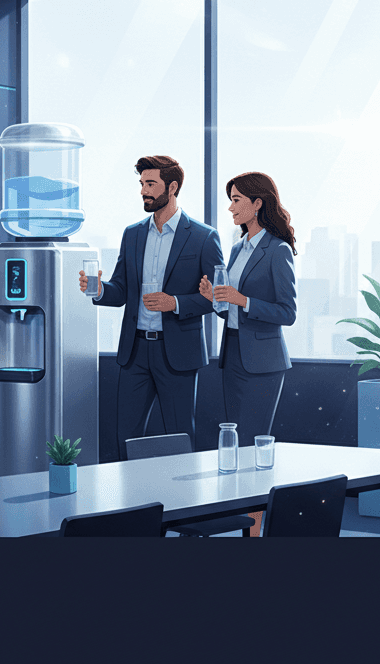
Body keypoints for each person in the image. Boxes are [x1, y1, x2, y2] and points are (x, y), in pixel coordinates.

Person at [79, 155, 224, 456]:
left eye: (151, 184)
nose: (144, 191)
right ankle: (133, 502)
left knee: (179, 437)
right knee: (125, 437)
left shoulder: (203, 237)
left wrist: (175, 303)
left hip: (178, 355)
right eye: (142, 183)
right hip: (135, 353)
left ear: (172, 188)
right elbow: (120, 291)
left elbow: (216, 297)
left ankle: (181, 501)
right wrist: (97, 290)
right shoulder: (132, 234)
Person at [199, 172, 297, 450]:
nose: (230, 207)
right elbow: (230, 311)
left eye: (236, 200)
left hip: (264, 362)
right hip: (232, 356)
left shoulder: (278, 250)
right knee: (235, 438)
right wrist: (214, 298)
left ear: (257, 204)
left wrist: (243, 300)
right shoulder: (236, 249)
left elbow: (287, 313)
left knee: (253, 440)